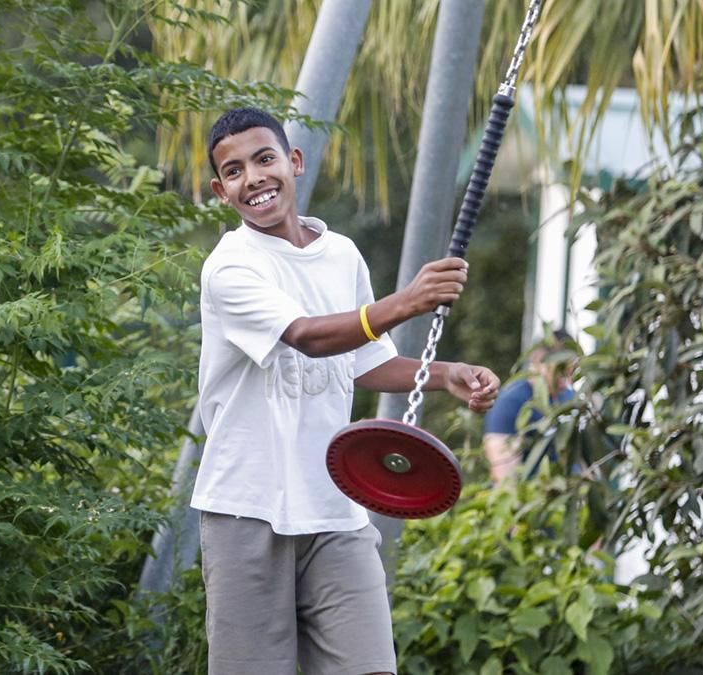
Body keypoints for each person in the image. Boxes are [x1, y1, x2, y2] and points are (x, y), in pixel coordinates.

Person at [192, 107, 500, 675]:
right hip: (247, 509)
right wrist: (406, 302)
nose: (254, 178)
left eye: (265, 159)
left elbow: (361, 362)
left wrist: (444, 373)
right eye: (233, 171)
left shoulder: (341, 254)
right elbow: (308, 338)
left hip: (336, 506)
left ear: (295, 162)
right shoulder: (231, 267)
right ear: (220, 191)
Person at [482, 329, 577, 484]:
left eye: (570, 372)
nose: (565, 380)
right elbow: (504, 476)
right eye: (560, 371)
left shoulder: (570, 399)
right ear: (538, 361)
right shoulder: (512, 401)